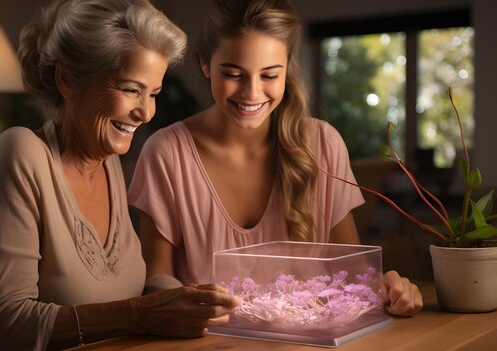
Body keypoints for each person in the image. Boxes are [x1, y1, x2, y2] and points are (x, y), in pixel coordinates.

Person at [0, 0, 240, 349]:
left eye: (153, 93)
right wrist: (142, 313)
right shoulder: (19, 153)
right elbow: (0, 322)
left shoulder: (107, 159)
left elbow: (126, 293)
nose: (145, 112)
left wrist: (183, 299)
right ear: (67, 80)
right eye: (131, 89)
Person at [128, 0, 423, 317]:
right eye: (233, 74)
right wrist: (185, 306)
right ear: (204, 65)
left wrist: (389, 285)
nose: (252, 94)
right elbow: (156, 279)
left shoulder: (322, 144)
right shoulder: (166, 152)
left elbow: (352, 272)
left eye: (269, 75)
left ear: (287, 68)